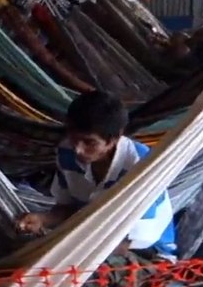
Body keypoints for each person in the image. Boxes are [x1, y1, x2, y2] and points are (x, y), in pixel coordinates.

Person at [14, 90, 177, 261]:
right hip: (88, 238)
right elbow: (67, 208)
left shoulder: (141, 166)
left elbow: (134, 239)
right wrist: (42, 219)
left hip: (146, 253)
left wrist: (68, 246)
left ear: (114, 139)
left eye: (89, 142)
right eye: (74, 138)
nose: (78, 149)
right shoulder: (66, 152)